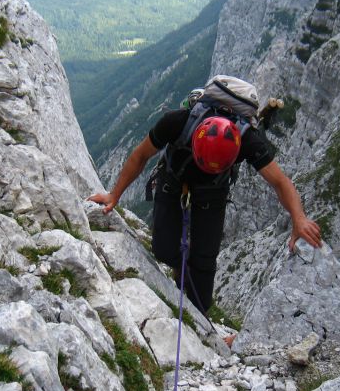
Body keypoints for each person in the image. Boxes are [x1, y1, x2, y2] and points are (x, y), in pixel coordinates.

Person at [88, 77, 322, 318]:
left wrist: (299, 219)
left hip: (213, 194)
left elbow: (280, 182)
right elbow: (139, 156)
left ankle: (200, 316)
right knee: (163, 250)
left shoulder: (248, 140)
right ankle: (180, 269)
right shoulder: (176, 122)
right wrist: (114, 195)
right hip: (174, 182)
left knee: (204, 263)